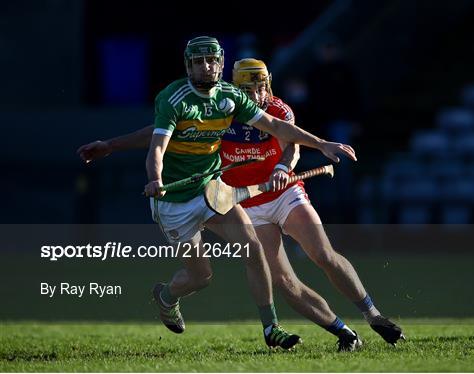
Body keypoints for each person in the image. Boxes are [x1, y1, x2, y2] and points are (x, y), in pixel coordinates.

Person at [78, 56, 404, 350]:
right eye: (249, 86)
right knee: (284, 282)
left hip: (284, 193)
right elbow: (160, 132)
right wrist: (111, 145)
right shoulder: (222, 107)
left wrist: (285, 165)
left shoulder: (277, 108)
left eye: (261, 85)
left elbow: (288, 139)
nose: (257, 92)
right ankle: (344, 333)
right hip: (244, 201)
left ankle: (373, 315)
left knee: (324, 255)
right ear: (236, 86)